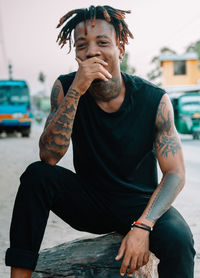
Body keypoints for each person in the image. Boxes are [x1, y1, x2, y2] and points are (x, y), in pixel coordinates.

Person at [6, 5, 195, 278]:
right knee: (36, 176)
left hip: (139, 203)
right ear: (77, 54)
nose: (92, 51)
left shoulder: (154, 99)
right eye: (82, 45)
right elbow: (49, 157)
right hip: (89, 201)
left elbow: (175, 173)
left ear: (120, 48)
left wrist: (143, 226)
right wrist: (77, 90)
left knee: (180, 240)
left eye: (103, 42)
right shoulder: (65, 88)